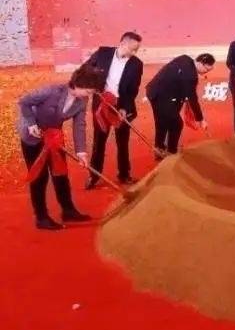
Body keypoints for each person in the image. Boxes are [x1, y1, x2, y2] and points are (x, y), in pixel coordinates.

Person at [17, 64, 105, 230]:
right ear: (79, 84)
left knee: (60, 173)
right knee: (39, 176)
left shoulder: (81, 101)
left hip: (53, 136)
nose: (89, 95)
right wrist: (31, 123)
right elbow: (24, 102)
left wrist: (81, 152)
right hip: (33, 136)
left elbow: (79, 125)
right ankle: (41, 217)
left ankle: (68, 211)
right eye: (89, 91)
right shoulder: (51, 91)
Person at [83, 31, 144, 189]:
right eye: (132, 49)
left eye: (136, 50)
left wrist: (124, 108)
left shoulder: (137, 64)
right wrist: (91, 84)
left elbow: (133, 90)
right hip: (102, 104)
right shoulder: (103, 53)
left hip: (121, 105)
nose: (133, 53)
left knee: (122, 142)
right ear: (122, 43)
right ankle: (94, 175)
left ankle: (124, 174)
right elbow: (86, 69)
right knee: (99, 140)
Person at [146, 54, 214, 156]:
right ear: (202, 63)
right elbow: (192, 98)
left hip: (155, 90)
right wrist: (200, 119)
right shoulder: (191, 76)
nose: (206, 72)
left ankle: (159, 148)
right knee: (176, 124)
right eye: (207, 70)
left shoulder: (185, 58)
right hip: (161, 96)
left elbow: (177, 80)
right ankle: (171, 151)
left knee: (163, 121)